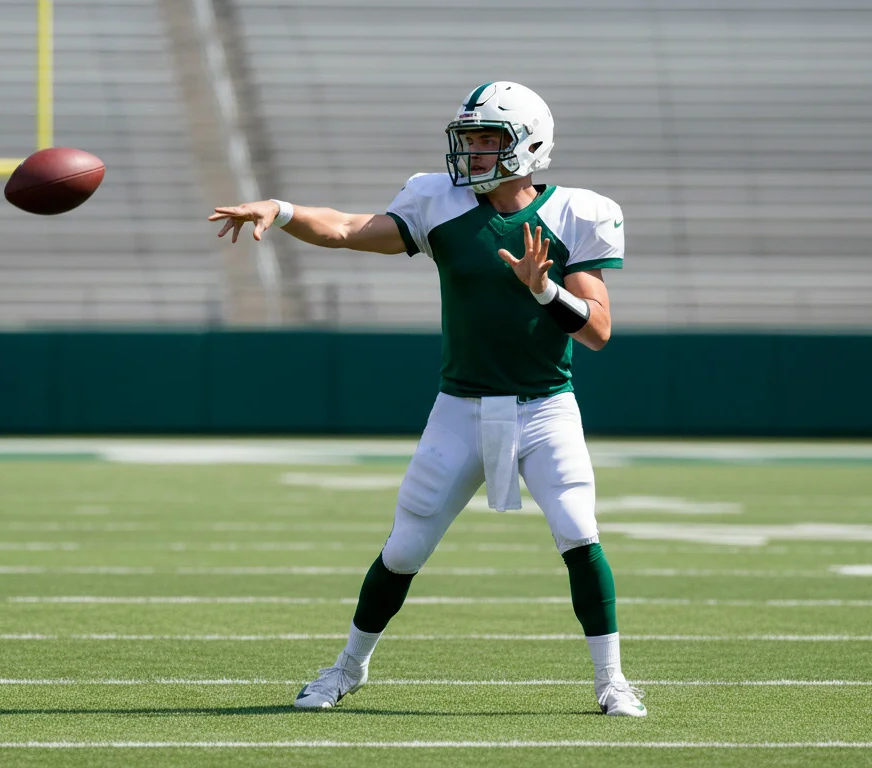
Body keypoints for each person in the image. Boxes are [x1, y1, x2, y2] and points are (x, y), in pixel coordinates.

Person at [208, 81, 644, 717]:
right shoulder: (437, 199)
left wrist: (545, 291)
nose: (473, 151)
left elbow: (597, 331)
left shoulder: (579, 212)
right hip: (461, 406)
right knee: (405, 547)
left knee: (579, 532)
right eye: (469, 138)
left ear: (529, 144)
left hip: (545, 406)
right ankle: (347, 668)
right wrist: (283, 208)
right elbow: (349, 229)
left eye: (488, 139)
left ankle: (612, 681)